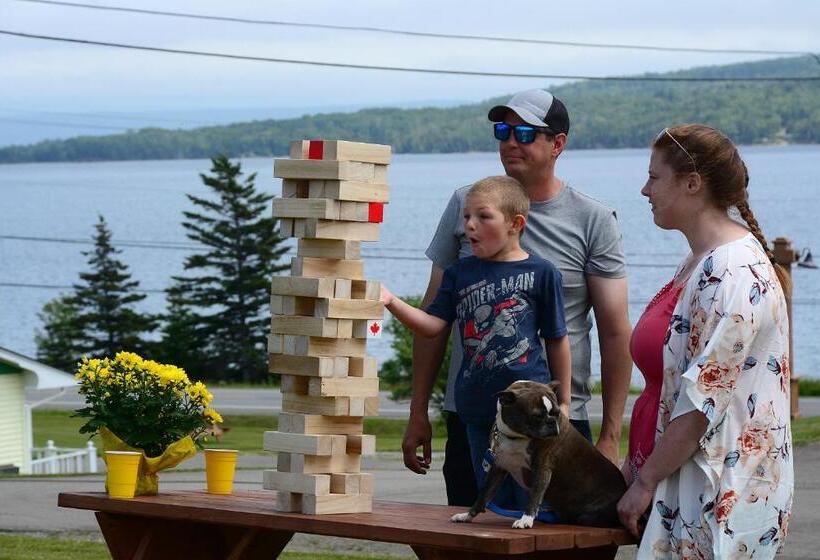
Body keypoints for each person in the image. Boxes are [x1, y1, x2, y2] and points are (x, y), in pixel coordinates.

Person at [402, 89, 633, 507]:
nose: (511, 141)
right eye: (503, 130)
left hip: (557, 419)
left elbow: (615, 333)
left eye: (525, 132)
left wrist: (610, 435)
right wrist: (418, 410)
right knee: (473, 538)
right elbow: (434, 316)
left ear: (557, 144)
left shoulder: (593, 219)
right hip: (474, 415)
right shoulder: (467, 204)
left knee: (553, 544)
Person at [617, 125, 793, 558]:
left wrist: (645, 480)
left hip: (713, 492)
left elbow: (701, 404)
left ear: (692, 183)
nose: (644, 190)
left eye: (654, 177)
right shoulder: (701, 261)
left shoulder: (730, 272)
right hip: (684, 485)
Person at [381, 175, 572, 504]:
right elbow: (431, 326)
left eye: (483, 217)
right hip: (476, 410)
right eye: (467, 217)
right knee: (489, 497)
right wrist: (391, 301)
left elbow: (557, 339)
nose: (470, 225)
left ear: (516, 223)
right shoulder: (459, 273)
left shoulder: (543, 273)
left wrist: (564, 402)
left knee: (534, 498)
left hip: (532, 412)